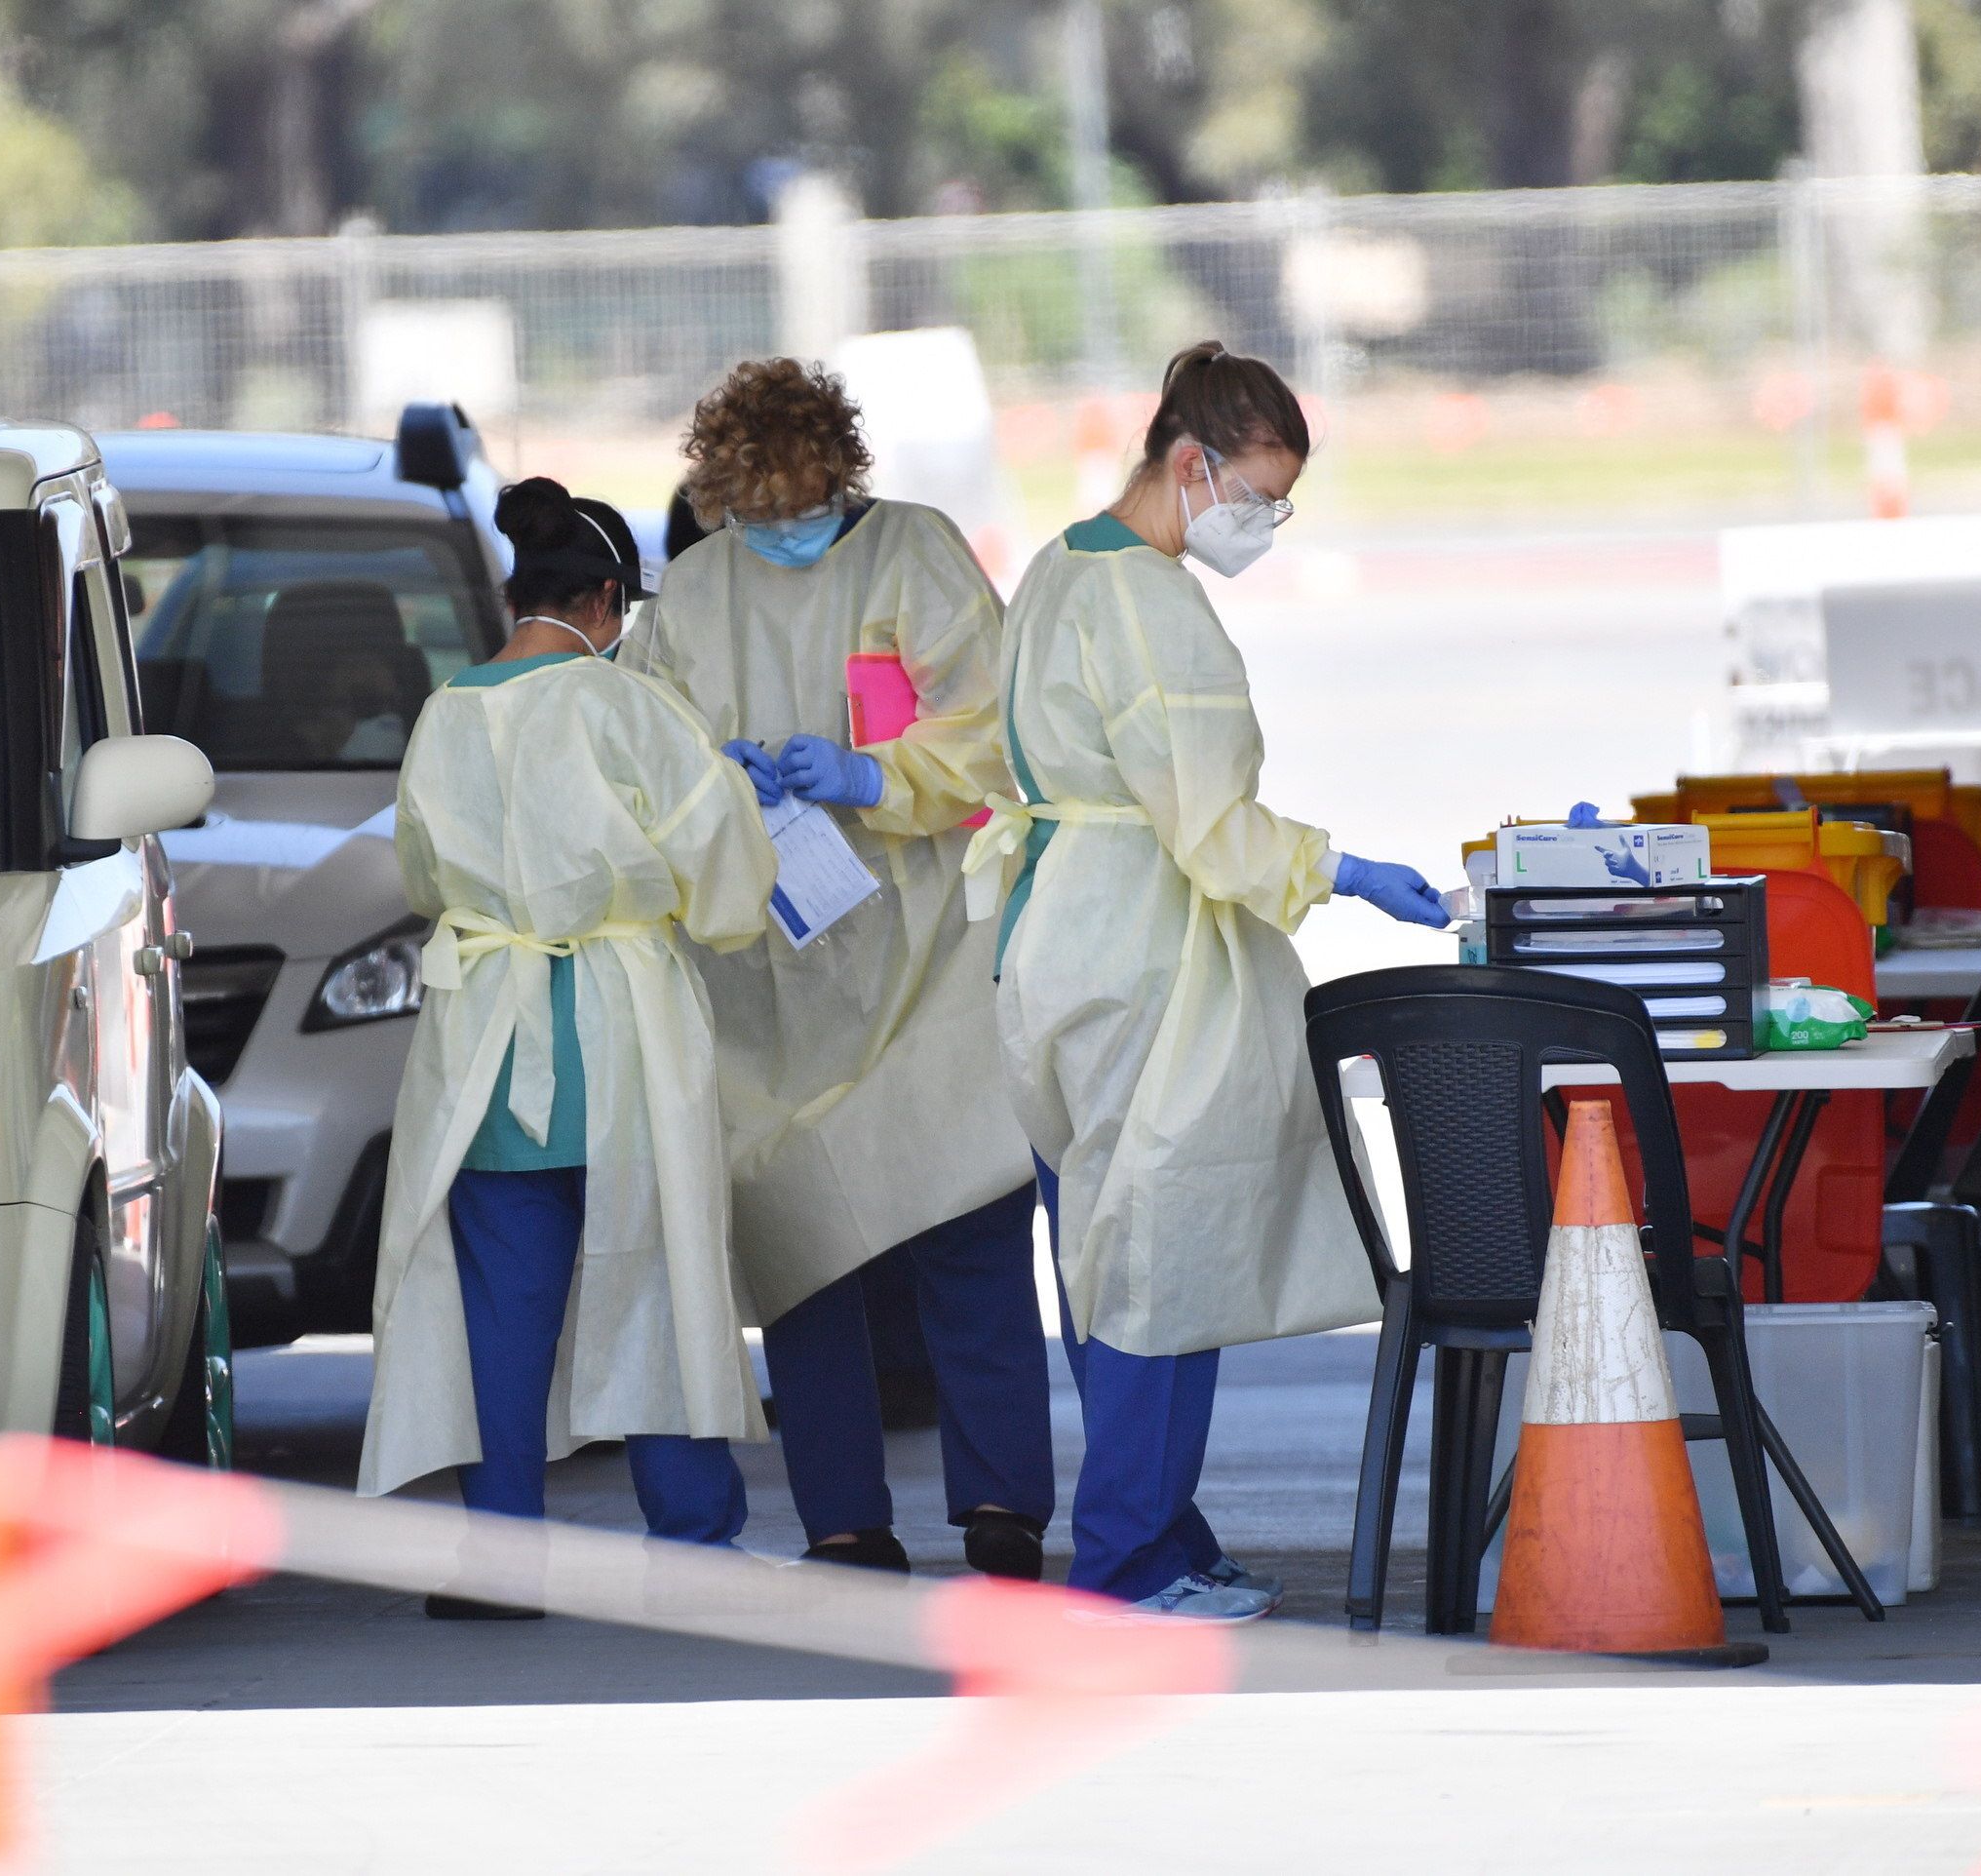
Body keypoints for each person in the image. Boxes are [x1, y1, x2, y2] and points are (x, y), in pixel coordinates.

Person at [976, 343, 1450, 1622]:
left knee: (1108, 1253)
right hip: (1142, 956)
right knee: (1159, 1263)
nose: (1264, 526)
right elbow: (1211, 827)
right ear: (1192, 464)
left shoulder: (1063, 565)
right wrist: (1344, 870)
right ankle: (1129, 1564)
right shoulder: (1153, 606)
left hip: (1059, 941)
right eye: (1259, 498)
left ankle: (1164, 1534)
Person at [622, 358, 1054, 1581]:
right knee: (802, 1249)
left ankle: (1003, 1506)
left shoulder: (915, 554)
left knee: (969, 1221)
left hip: (932, 950)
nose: (785, 531)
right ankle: (844, 1523)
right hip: (772, 970)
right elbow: (644, 752)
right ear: (721, 500)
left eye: (804, 507)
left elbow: (997, 731)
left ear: (843, 475)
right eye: (759, 515)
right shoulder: (694, 589)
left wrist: (875, 774)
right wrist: (715, 785)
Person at [359, 476, 779, 1618]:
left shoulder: (446, 712)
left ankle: (500, 1561)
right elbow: (727, 880)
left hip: (489, 1042)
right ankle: (689, 1545)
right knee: (657, 1279)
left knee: (503, 1313)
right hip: (620, 1027)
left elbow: (422, 875)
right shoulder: (627, 705)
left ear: (517, 596)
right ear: (605, 601)